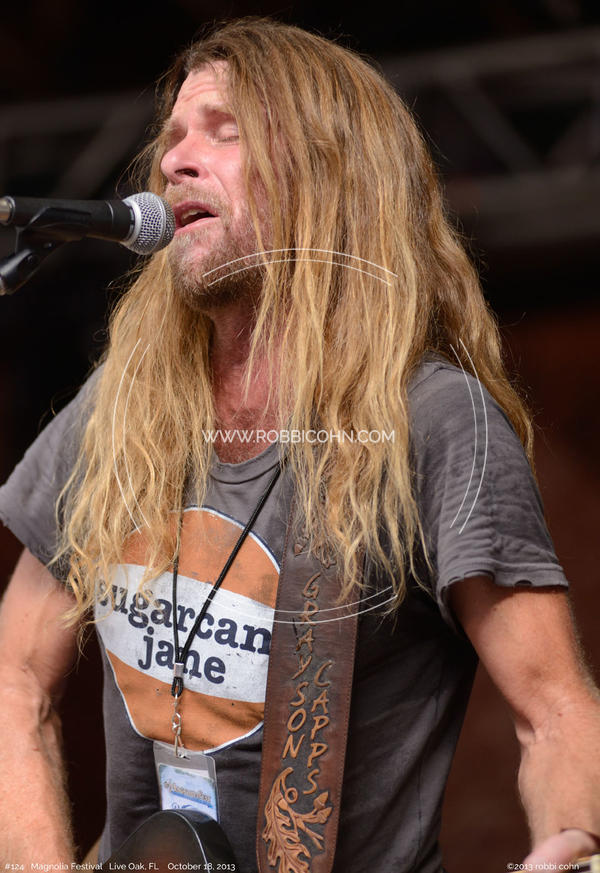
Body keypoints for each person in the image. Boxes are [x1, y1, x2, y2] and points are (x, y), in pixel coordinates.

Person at [0, 17, 599, 873]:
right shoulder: (123, 407)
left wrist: (573, 846)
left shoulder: (431, 423)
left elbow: (557, 710)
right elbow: (14, 675)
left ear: (328, 173)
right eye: (173, 136)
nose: (174, 160)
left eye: (224, 132)